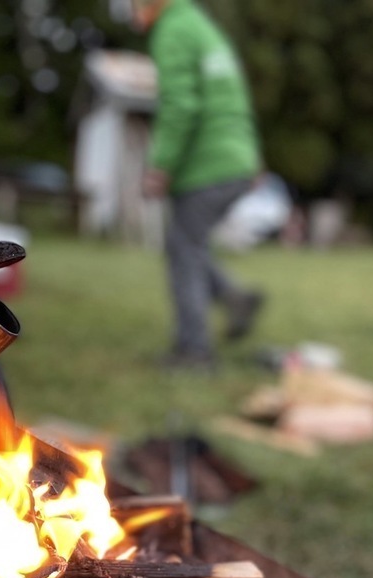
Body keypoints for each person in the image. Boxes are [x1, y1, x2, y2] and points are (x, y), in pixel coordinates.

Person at [132, 0, 265, 370]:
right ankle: (235, 298)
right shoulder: (200, 26)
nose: (132, 12)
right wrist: (250, 157)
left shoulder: (173, 30)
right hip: (233, 157)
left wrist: (161, 165)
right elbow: (233, 97)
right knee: (188, 243)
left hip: (208, 162)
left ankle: (195, 351)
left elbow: (181, 104)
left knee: (183, 250)